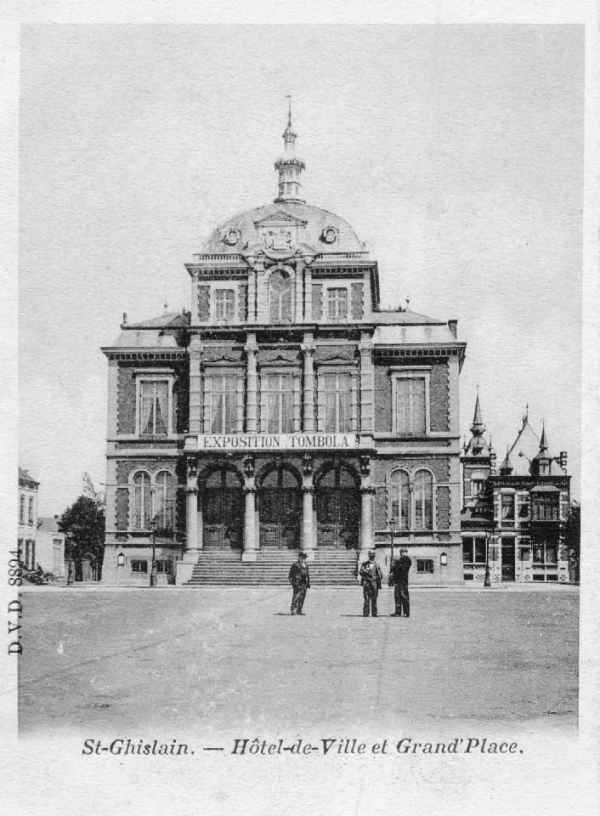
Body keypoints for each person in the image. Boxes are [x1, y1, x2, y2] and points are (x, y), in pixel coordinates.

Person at [359, 550, 382, 617]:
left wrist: (376, 577)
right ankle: (366, 613)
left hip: (374, 583)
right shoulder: (365, 564)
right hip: (366, 583)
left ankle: (374, 613)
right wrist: (366, 571)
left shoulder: (377, 564)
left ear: (374, 556)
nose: (372, 555)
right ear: (368, 555)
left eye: (373, 554)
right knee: (366, 599)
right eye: (370, 554)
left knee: (374, 599)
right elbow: (361, 572)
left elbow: (380, 575)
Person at [389, 549, 412, 617]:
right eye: (401, 552)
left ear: (406, 553)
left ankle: (406, 612)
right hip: (397, 581)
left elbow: (402, 569)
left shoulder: (407, 560)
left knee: (404, 596)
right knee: (397, 596)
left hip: (403, 581)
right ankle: (398, 612)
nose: (402, 554)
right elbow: (394, 569)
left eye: (403, 552)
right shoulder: (399, 560)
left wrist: (396, 565)